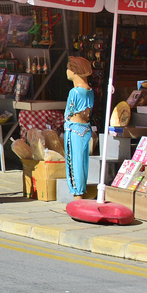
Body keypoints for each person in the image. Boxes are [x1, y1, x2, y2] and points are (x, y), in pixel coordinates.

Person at [64, 56, 96, 197]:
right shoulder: (89, 91)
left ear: (74, 71)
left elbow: (69, 111)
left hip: (74, 129)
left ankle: (77, 193)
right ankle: (81, 191)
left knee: (73, 163)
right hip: (85, 128)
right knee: (82, 162)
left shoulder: (75, 92)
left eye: (69, 68)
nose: (67, 71)